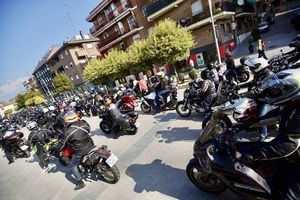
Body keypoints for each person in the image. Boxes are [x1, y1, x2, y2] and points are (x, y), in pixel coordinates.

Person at [232, 69, 300, 199]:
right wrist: (243, 125)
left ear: (292, 90)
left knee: (289, 196)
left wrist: (252, 156)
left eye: (278, 91)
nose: (273, 94)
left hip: (296, 158)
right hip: (291, 152)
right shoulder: (291, 105)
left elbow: (288, 144)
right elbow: (270, 117)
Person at [55, 110, 94, 190]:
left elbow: (62, 144)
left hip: (80, 151)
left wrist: (57, 150)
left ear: (67, 121)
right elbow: (89, 130)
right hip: (91, 145)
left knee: (73, 166)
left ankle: (80, 183)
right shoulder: (84, 123)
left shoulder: (67, 132)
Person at [239, 57, 274, 140]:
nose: (251, 70)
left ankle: (263, 135)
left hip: (267, 101)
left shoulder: (268, 75)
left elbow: (258, 90)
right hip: (260, 98)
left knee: (261, 117)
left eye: (252, 68)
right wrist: (238, 86)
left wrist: (241, 95)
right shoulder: (259, 74)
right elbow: (252, 83)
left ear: (259, 67)